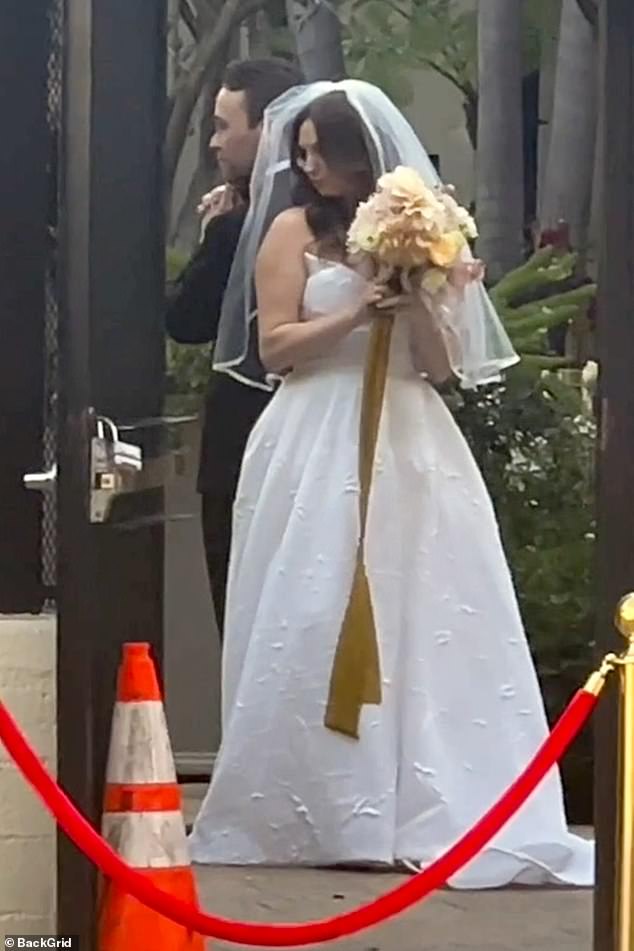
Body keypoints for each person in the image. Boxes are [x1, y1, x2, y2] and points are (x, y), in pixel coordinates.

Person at [188, 80, 594, 887]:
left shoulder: (425, 229)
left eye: (319, 151)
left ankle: (427, 791)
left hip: (410, 435)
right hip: (314, 430)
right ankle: (316, 799)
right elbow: (276, 348)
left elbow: (444, 368)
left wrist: (414, 302)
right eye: (297, 151)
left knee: (429, 602)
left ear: (358, 155)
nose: (307, 166)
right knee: (312, 602)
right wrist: (357, 312)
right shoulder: (290, 228)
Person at [166, 57, 303, 637]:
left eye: (225, 126)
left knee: (246, 620)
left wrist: (214, 239)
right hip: (315, 442)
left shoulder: (239, 230)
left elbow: (186, 319)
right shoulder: (332, 220)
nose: (217, 143)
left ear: (268, 129)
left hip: (242, 441)